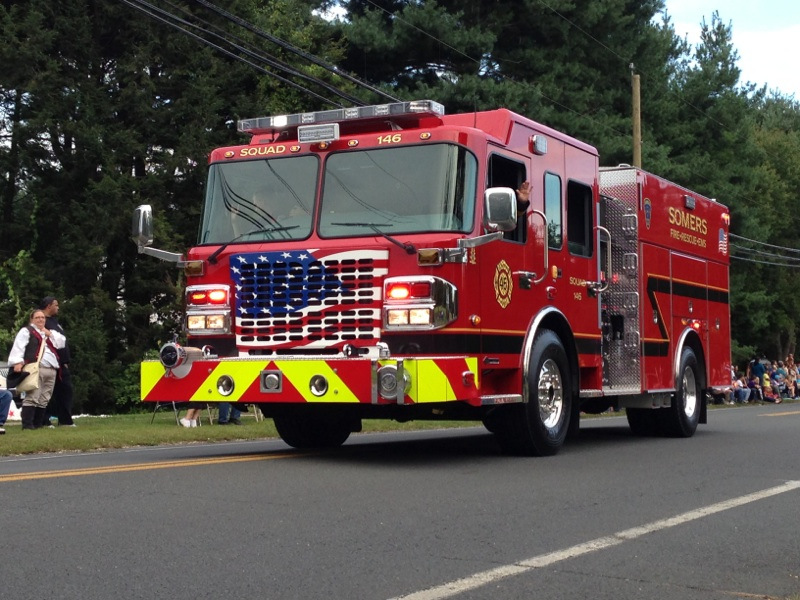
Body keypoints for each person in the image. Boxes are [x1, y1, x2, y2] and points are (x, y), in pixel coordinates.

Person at [7, 309, 65, 430]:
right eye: (37, 317)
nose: (40, 319)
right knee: (33, 396)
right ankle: (28, 425)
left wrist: (48, 333)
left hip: (51, 369)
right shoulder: (27, 331)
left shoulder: (49, 334)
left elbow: (61, 342)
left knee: (44, 398)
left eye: (43, 317)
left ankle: (38, 424)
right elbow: (19, 346)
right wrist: (17, 362)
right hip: (36, 368)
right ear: (32, 319)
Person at [40, 296, 75, 426]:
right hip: (49, 363)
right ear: (49, 306)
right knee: (46, 392)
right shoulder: (42, 321)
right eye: (56, 305)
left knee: (66, 391)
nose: (58, 307)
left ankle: (65, 420)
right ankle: (44, 419)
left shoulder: (54, 321)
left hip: (61, 363)